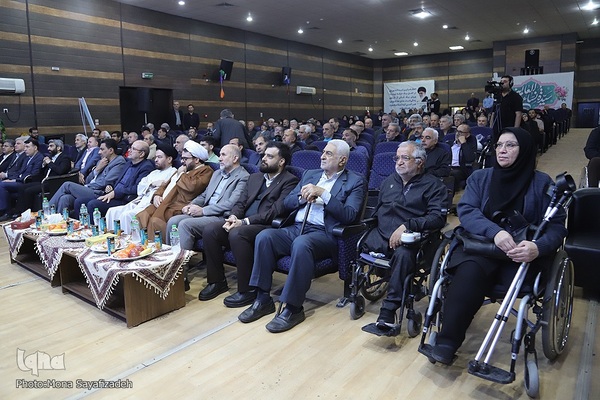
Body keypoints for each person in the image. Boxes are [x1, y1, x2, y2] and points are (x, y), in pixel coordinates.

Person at [427, 127, 567, 365]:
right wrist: (496, 232)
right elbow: (467, 211)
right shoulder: (480, 178)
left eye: (510, 145)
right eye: (499, 145)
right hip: (482, 247)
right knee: (468, 275)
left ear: (525, 150)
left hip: (520, 255)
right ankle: (447, 342)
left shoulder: (542, 182)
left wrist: (538, 247)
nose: (502, 150)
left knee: (518, 279)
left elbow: (556, 227)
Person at [238, 140, 366, 333]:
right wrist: (301, 197)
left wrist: (324, 194)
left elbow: (350, 215)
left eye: (329, 154)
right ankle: (262, 299)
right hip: (297, 227)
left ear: (342, 160)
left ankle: (293, 308)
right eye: (323, 152)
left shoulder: (355, 181)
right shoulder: (310, 174)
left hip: (325, 234)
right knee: (265, 237)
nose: (322, 156)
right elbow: (288, 202)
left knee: (301, 243)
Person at [198, 142, 298, 305]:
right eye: (264, 155)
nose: (264, 159)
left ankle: (248, 289)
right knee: (211, 230)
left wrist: (244, 222)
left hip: (266, 226)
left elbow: (275, 211)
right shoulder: (255, 177)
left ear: (281, 162)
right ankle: (217, 281)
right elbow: (240, 203)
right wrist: (233, 217)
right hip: (242, 222)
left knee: (238, 233)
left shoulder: (290, 181)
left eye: (270, 156)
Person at [363, 142, 447, 329]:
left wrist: (408, 226)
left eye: (405, 158)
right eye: (397, 158)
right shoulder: (389, 181)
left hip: (414, 241)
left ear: (420, 162)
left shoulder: (434, 185)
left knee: (403, 255)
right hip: (381, 236)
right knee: (359, 241)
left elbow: (438, 218)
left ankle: (388, 311)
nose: (399, 162)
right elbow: (377, 211)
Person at [171, 144, 249, 247]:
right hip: (206, 212)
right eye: (219, 155)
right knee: (173, 221)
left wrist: (203, 211)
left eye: (223, 155)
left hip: (221, 216)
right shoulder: (217, 173)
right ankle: (171, 256)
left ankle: (183, 257)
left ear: (235, 158)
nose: (219, 158)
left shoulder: (244, 176)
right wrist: (191, 205)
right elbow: (205, 195)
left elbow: (231, 203)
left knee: (184, 224)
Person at [136, 141, 213, 242]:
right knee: (141, 216)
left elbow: (191, 187)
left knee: (155, 222)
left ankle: (160, 249)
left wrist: (181, 174)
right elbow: (165, 184)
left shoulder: (206, 171)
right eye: (182, 158)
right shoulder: (184, 169)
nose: (182, 161)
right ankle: (144, 245)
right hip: (165, 202)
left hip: (178, 205)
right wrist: (156, 195)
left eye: (185, 159)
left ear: (196, 159)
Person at [106, 145, 177, 234]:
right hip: (140, 201)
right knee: (112, 211)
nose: (155, 160)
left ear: (169, 159)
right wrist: (152, 184)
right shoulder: (154, 172)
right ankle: (111, 238)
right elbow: (140, 186)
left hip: (150, 205)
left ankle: (129, 241)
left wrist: (151, 186)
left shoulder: (173, 173)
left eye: (159, 157)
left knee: (126, 215)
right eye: (155, 157)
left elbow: (165, 189)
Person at [49, 139, 126, 218]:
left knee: (67, 185)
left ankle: (48, 211)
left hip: (99, 192)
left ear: (111, 150)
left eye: (102, 149)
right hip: (89, 189)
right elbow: (87, 180)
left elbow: (104, 182)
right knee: (65, 198)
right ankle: (58, 221)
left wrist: (86, 187)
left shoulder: (119, 162)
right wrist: (97, 170)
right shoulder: (102, 161)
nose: (99, 152)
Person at [85, 141, 154, 216]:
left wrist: (116, 193)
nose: (129, 150)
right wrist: (111, 186)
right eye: (130, 148)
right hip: (112, 194)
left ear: (142, 154)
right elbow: (119, 180)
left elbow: (137, 188)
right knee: (81, 201)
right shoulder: (129, 163)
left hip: (125, 199)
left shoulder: (146, 167)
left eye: (133, 149)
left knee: (92, 204)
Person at [14, 139, 72, 214]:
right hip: (44, 180)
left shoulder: (64, 158)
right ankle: (19, 212)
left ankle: (28, 213)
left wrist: (50, 163)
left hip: (53, 182)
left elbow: (60, 171)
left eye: (51, 146)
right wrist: (43, 165)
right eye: (48, 146)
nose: (48, 148)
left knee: (28, 191)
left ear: (58, 148)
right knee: (21, 187)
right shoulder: (50, 157)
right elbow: (43, 173)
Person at [0, 139, 44, 220]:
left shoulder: (39, 157)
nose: (25, 149)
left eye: (27, 147)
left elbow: (34, 174)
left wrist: (15, 180)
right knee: (3, 186)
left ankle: (3, 210)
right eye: (25, 147)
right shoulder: (27, 158)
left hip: (27, 182)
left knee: (2, 185)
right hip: (19, 180)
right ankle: (8, 211)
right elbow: (19, 171)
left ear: (35, 148)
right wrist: (12, 179)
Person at [491, 75, 523, 142]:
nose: (502, 83)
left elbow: (518, 114)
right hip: (496, 128)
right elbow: (493, 113)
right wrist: (491, 128)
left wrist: (515, 130)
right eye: (501, 81)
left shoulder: (516, 97)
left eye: (505, 81)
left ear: (510, 83)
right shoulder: (497, 96)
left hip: (509, 127)